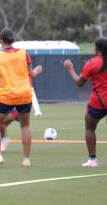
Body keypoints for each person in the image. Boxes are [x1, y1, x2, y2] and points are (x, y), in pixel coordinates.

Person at [0, 28, 42, 168]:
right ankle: (26, 159)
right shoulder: (24, 53)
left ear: (1, 41)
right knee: (25, 125)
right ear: (14, 40)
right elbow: (31, 74)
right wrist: (36, 71)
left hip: (7, 96)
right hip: (25, 95)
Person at [63, 37, 107, 168]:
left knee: (90, 128)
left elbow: (79, 82)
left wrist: (70, 68)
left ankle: (93, 160)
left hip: (98, 102)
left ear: (96, 49)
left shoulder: (93, 63)